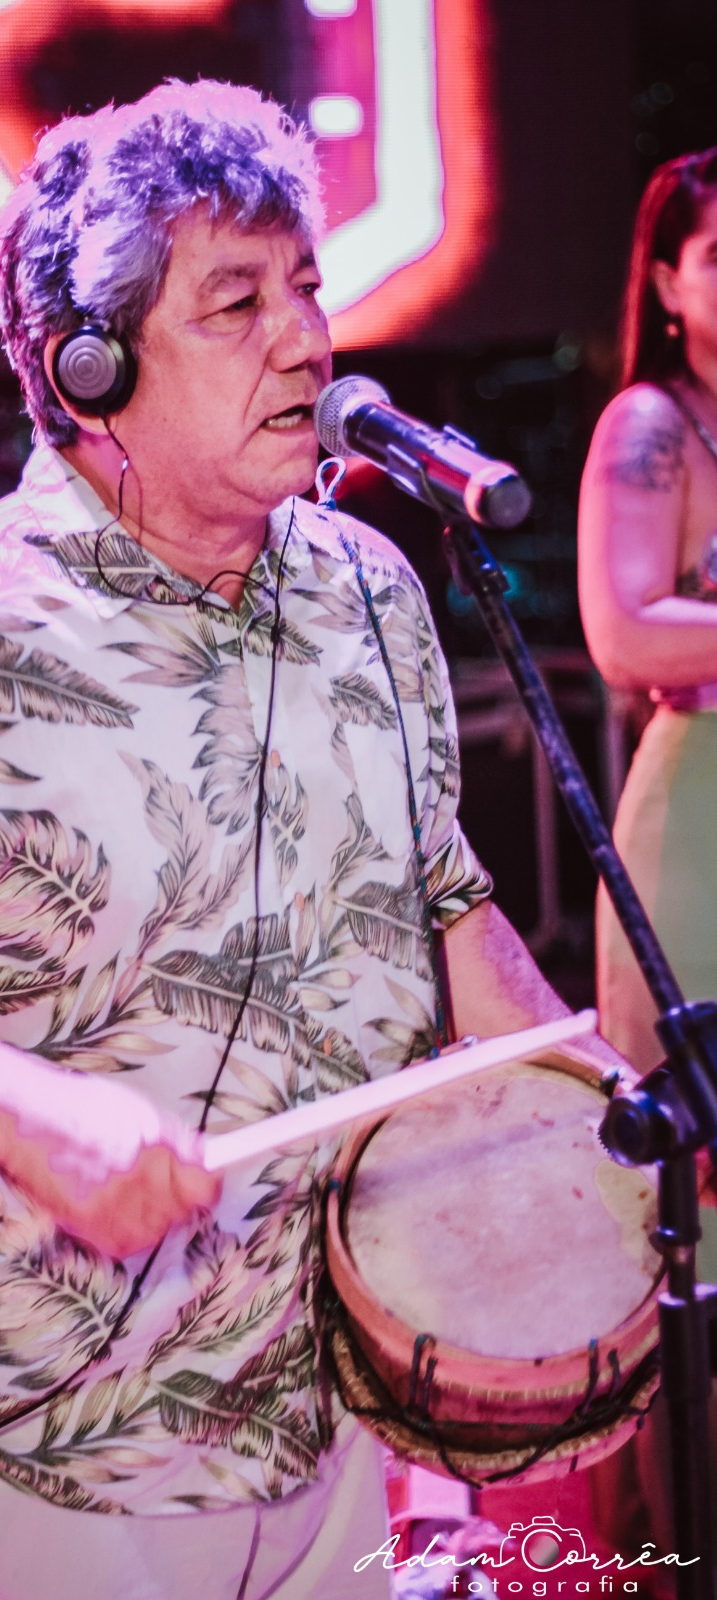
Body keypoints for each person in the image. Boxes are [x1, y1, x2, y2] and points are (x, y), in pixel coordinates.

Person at [0, 81, 595, 1600]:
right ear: (87, 369)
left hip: (338, 1413)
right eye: (236, 303)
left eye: (306, 287)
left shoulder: (367, 588)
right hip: (63, 1450)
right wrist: (25, 1109)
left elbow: (441, 905)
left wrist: (588, 1131)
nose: (306, 339)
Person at [577, 145, 717, 1568]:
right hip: (699, 840)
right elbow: (625, 632)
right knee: (688, 1218)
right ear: (668, 284)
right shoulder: (649, 424)